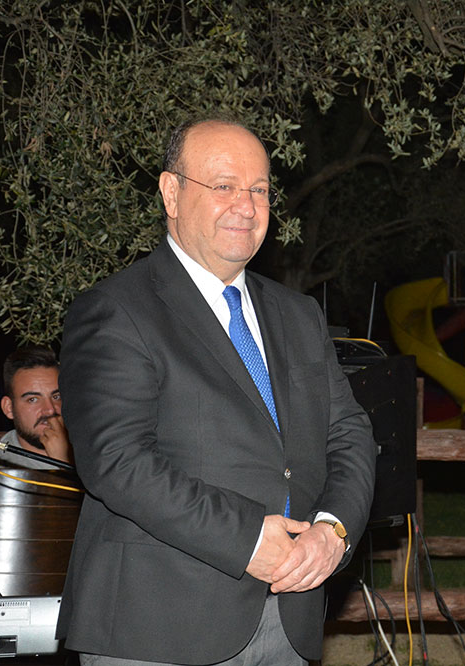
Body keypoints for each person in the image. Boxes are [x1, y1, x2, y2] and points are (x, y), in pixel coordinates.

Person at [57, 118, 376, 665]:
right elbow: (116, 461)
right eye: (224, 186)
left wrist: (332, 532)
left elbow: (349, 434)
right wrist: (248, 539)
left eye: (259, 190)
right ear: (171, 193)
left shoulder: (298, 314)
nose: (246, 207)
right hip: (157, 627)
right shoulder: (116, 310)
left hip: (291, 618)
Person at [0, 345, 73, 468]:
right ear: (8, 408)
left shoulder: (92, 448)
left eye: (56, 397)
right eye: (33, 399)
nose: (50, 410)